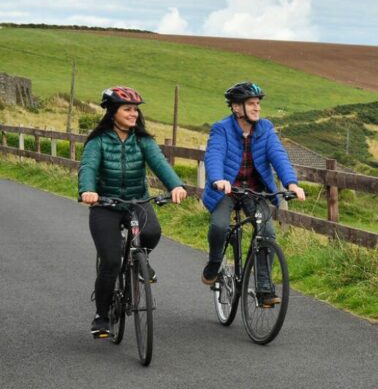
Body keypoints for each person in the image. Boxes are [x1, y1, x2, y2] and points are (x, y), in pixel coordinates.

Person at [79, 86, 188, 338]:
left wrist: (176, 186)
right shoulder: (98, 141)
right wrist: (88, 190)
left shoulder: (143, 140)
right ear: (112, 111)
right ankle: (102, 315)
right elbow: (88, 167)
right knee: (110, 261)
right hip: (105, 204)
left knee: (152, 232)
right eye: (127, 109)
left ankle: (140, 261)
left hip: (137, 200)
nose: (133, 114)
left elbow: (160, 163)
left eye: (136, 110)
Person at [201, 82, 306, 306]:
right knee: (219, 226)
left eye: (258, 103)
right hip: (227, 190)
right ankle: (214, 263)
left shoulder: (265, 128)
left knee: (266, 233)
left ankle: (264, 289)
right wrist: (218, 179)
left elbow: (278, 155)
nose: (257, 108)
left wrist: (291, 183)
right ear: (237, 108)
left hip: (254, 191)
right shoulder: (222, 129)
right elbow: (215, 155)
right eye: (251, 103)